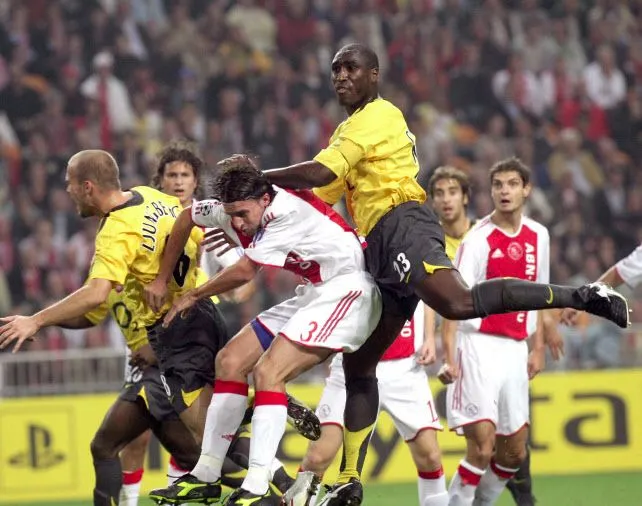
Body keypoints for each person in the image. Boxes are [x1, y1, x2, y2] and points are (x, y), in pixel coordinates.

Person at [218, 42, 630, 505]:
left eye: (351, 67)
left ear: (374, 74)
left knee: (457, 301)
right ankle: (349, 478)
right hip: (377, 245)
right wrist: (244, 214)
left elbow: (317, 174)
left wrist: (258, 177)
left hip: (402, 224)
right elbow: (318, 196)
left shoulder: (378, 115)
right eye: (335, 70)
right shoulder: (346, 133)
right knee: (359, 364)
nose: (341, 76)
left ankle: (583, 295)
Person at [144, 163, 382, 506]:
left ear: (265, 199)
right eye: (231, 215)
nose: (238, 223)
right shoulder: (232, 209)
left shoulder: (286, 211)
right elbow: (187, 217)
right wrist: (161, 278)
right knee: (229, 361)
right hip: (314, 291)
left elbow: (245, 271)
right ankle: (206, 474)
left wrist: (193, 295)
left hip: (348, 290)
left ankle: (256, 483)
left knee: (268, 372)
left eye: (243, 214)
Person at [285, 165, 474, 506]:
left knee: (430, 456)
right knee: (318, 457)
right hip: (353, 367)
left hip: (404, 367)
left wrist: (427, 337)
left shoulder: (406, 237)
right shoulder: (347, 245)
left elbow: (423, 290)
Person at [428, 167, 539, 506]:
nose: (446, 200)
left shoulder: (487, 235)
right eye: (439, 193)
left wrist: (540, 338)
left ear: (465, 197)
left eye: (452, 192)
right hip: (467, 343)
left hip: (507, 344)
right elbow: (439, 302)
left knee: (514, 448)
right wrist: (440, 347)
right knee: (480, 444)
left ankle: (519, 489)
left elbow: (530, 285)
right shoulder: (430, 244)